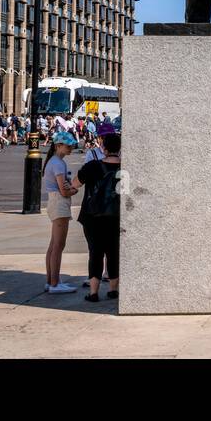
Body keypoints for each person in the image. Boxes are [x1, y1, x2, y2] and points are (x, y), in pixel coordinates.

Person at [77, 130, 121, 303]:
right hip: (114, 215)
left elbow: (75, 184)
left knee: (95, 252)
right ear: (119, 148)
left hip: (93, 216)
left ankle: (93, 292)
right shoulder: (124, 168)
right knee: (113, 252)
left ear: (103, 147)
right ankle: (112, 290)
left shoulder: (92, 166)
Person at [43, 130, 80, 294]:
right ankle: (55, 283)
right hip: (59, 202)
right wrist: (74, 190)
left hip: (54, 201)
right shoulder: (58, 163)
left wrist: (67, 188)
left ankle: (50, 280)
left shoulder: (53, 161)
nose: (71, 148)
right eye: (68, 145)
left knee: (53, 244)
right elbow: (64, 191)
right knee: (59, 245)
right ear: (59, 145)